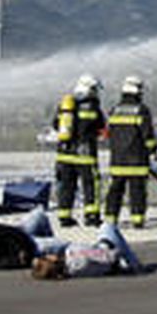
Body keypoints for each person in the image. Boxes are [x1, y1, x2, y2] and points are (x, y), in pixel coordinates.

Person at [104, 76, 157, 229]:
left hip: (117, 160)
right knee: (137, 191)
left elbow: (109, 133)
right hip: (137, 160)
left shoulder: (115, 110)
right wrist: (153, 149)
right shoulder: (141, 110)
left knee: (115, 191)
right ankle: (137, 220)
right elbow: (148, 135)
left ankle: (110, 219)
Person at [27, 211, 146, 279]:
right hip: (107, 251)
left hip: (101, 258)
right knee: (107, 226)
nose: (48, 255)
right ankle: (133, 263)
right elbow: (107, 256)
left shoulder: (70, 269)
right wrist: (109, 247)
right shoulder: (75, 256)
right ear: (52, 261)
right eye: (45, 257)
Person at [54, 75, 106, 227]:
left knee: (66, 186)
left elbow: (56, 124)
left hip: (64, 154)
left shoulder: (65, 105)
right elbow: (100, 125)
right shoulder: (92, 106)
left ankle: (64, 217)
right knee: (91, 185)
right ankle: (92, 216)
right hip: (85, 155)